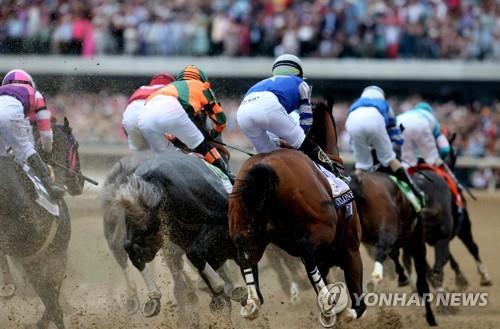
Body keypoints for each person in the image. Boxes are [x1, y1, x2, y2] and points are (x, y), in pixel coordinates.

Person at [236, 53, 338, 174]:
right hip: (267, 106)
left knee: (267, 158)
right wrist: (297, 140)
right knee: (302, 141)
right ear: (299, 73)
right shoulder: (301, 83)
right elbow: (306, 120)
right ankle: (332, 171)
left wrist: (281, 141)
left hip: (242, 112)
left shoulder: (262, 83)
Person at [139, 65, 233, 181]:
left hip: (144, 116)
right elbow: (221, 121)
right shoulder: (201, 86)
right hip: (171, 113)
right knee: (203, 146)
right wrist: (212, 134)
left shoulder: (169, 87)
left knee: (164, 157)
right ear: (202, 79)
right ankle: (228, 177)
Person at [345, 85, 426, 205]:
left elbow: (354, 138)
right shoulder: (384, 105)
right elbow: (395, 135)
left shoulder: (355, 105)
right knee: (390, 160)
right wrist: (396, 145)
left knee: (362, 165)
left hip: (351, 122)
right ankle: (415, 191)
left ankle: (348, 194)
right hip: (375, 121)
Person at [0, 69, 64, 199]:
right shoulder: (36, 94)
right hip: (10, 116)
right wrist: (47, 150)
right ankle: (49, 186)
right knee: (25, 149)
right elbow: (46, 133)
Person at [122, 73, 176, 151]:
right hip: (154, 118)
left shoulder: (141, 89)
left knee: (139, 151)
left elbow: (126, 118)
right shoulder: (173, 90)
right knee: (166, 152)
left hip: (131, 118)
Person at [397, 102, 451, 167]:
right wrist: (439, 157)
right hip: (422, 123)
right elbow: (445, 149)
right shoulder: (432, 118)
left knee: (407, 163)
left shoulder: (408, 113)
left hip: (399, 121)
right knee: (433, 160)